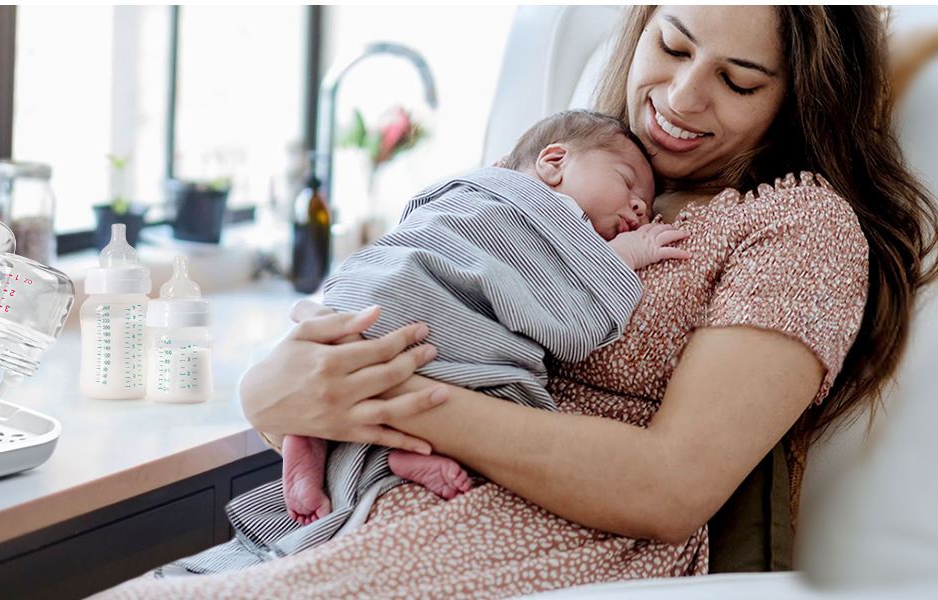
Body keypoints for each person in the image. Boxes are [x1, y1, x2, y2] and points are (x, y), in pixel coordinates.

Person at [94, 5, 938, 599]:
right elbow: (408, 285)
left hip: (556, 535)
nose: (683, 98)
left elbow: (670, 486)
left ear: (799, 99)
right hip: (375, 493)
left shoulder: (800, 228)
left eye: (739, 80)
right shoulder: (567, 167)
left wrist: (394, 401)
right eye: (674, 45)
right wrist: (269, 390)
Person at [281, 110, 691, 526]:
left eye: (646, 204)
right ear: (553, 163)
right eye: (626, 182)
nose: (640, 207)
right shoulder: (545, 211)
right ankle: (408, 448)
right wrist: (629, 254)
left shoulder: (473, 187)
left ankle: (314, 441)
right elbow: (580, 287)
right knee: (505, 398)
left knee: (352, 367)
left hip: (366, 295)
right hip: (426, 301)